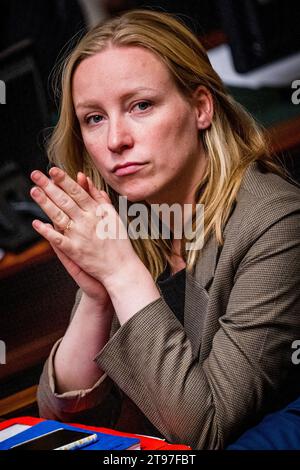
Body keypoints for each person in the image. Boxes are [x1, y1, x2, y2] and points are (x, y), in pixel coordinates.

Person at [30, 10, 300, 449]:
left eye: (141, 106)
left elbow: (205, 430)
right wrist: (97, 300)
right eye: (94, 118)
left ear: (200, 108)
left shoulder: (277, 223)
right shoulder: (128, 219)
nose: (116, 139)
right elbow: (65, 418)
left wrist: (121, 274)